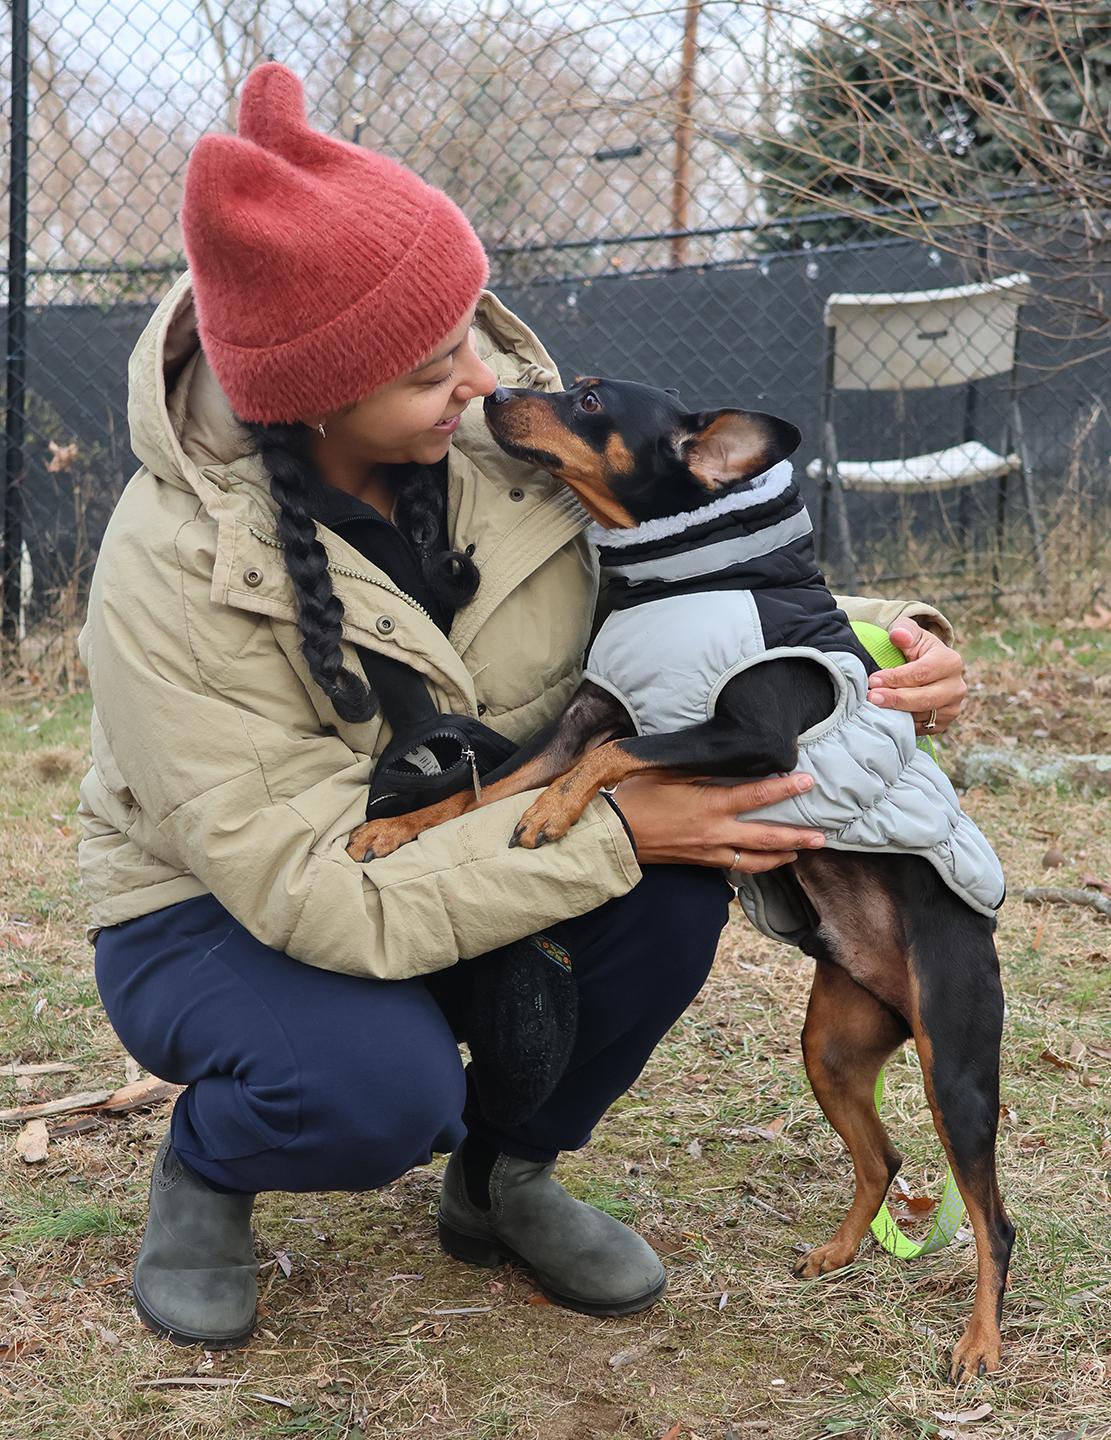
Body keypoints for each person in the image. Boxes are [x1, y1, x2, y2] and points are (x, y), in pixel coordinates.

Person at [79, 63, 969, 1349]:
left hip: (465, 837)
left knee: (668, 903)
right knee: (370, 1090)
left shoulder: (505, 447)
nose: (485, 376)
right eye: (435, 364)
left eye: (475, 333)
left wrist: (899, 644)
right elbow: (309, 887)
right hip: (224, 902)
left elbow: (716, 580)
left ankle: (503, 1178)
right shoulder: (168, 567)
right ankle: (213, 1163)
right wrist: (618, 826)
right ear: (320, 394)